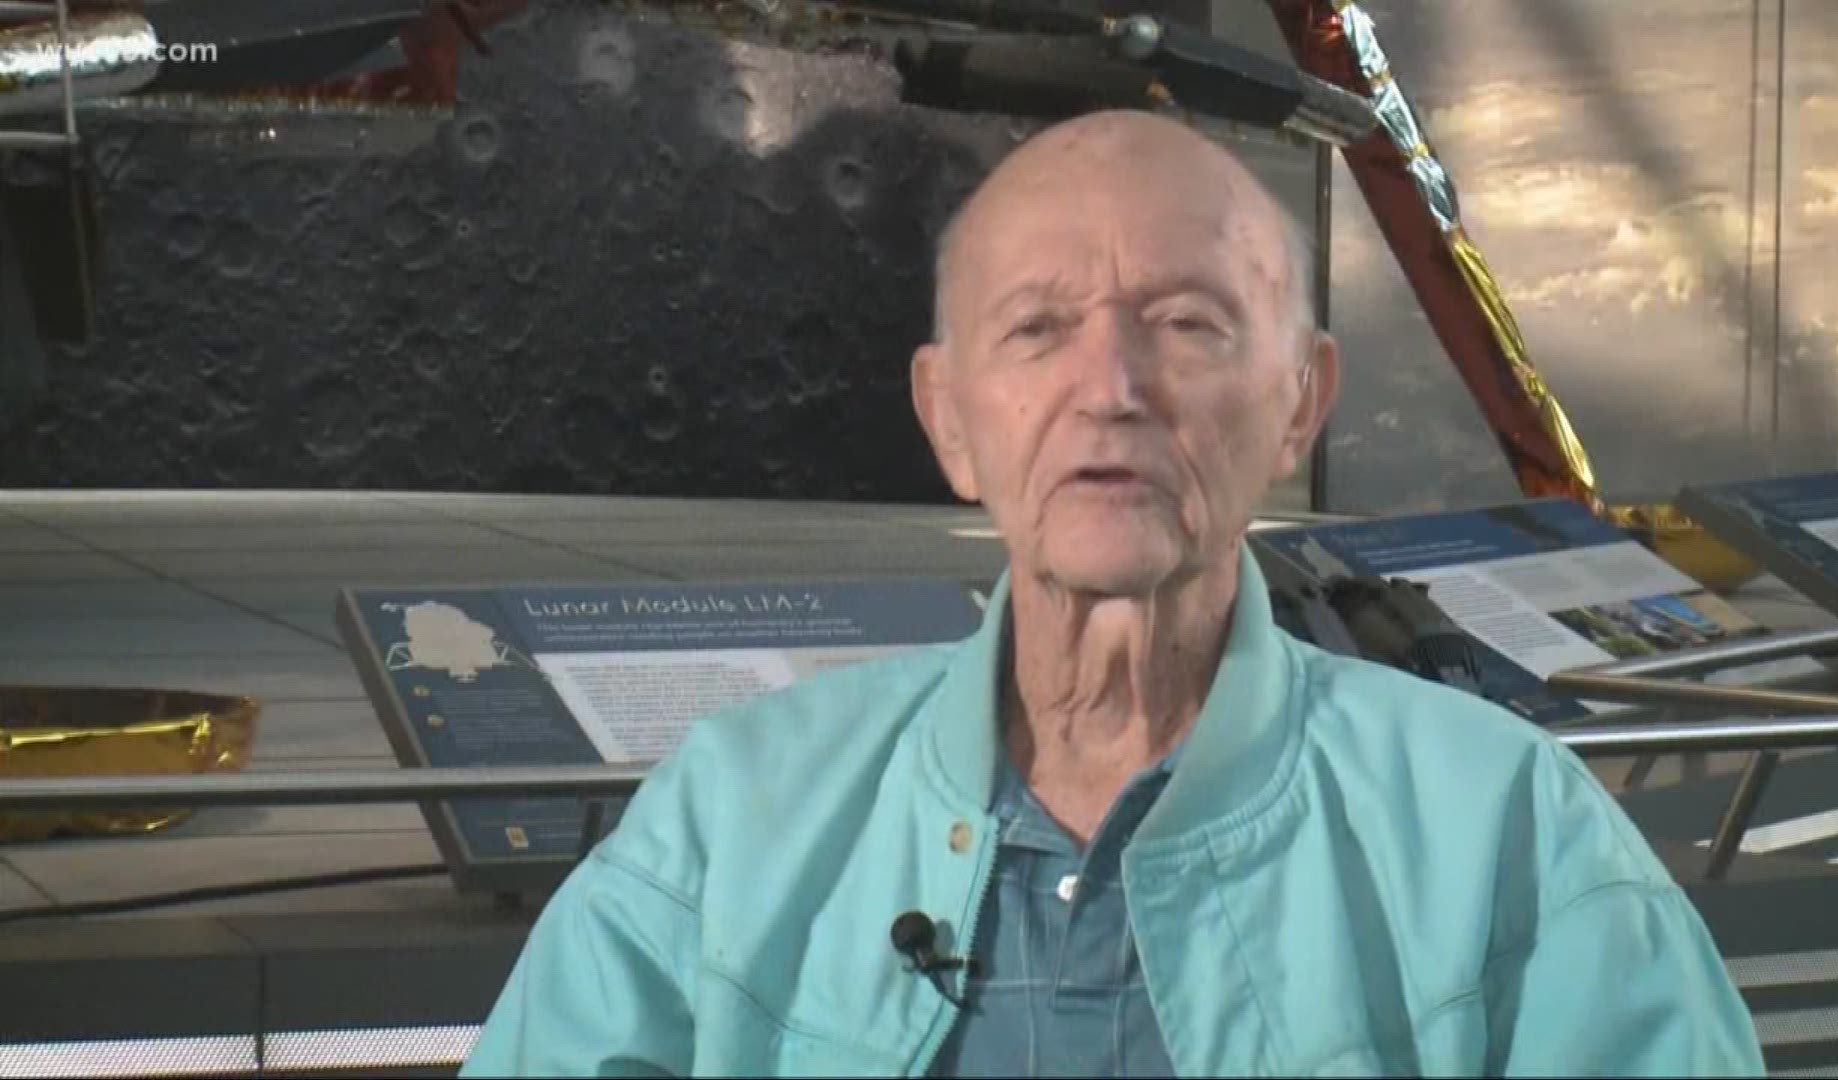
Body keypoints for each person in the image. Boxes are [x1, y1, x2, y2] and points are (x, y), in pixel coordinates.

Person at [461, 110, 1765, 1077]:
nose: (1113, 388)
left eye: (1188, 324)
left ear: (1302, 401)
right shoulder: (731, 821)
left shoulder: (1504, 832)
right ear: (948, 419)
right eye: (1037, 329)